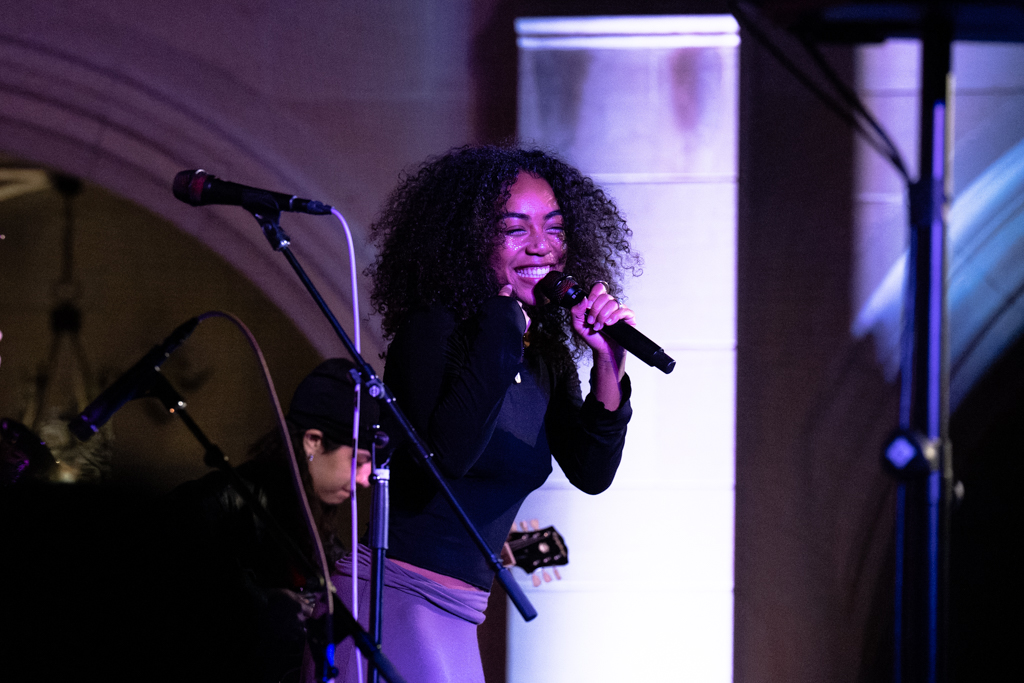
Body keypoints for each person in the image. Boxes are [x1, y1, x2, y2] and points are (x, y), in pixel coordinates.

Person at [309, 144, 640, 683]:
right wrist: (505, 322)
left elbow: (593, 472)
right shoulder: (432, 330)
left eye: (554, 228)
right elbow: (447, 458)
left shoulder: (547, 354)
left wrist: (609, 363)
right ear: (470, 239)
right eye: (516, 229)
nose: (542, 246)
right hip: (395, 598)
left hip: (459, 613)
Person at [157, 357, 379, 683]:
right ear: (313, 442)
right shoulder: (215, 503)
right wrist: (267, 605)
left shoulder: (323, 537)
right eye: (358, 461)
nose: (365, 478)